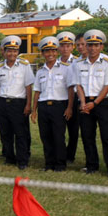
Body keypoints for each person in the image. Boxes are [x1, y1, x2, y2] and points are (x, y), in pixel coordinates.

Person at [73, 29, 108, 176]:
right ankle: (91, 166)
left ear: (101, 47)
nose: (92, 48)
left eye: (96, 45)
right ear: (86, 46)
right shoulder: (79, 63)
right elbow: (78, 85)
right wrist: (83, 103)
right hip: (84, 102)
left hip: (101, 102)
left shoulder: (107, 63)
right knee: (87, 136)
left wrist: (94, 103)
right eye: (90, 45)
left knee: (107, 136)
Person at [0, 36, 35, 169]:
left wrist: (28, 104)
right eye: (9, 51)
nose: (12, 54)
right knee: (5, 133)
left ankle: (22, 160)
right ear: (3, 52)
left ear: (18, 52)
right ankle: (9, 158)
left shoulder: (24, 65)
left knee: (20, 133)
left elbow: (28, 86)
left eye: (15, 51)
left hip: (18, 103)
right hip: (2, 102)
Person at [30, 36, 75, 171]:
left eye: (53, 51)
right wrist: (34, 110)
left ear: (57, 52)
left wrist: (69, 107)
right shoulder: (40, 71)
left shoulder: (66, 68)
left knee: (58, 136)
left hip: (59, 105)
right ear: (43, 54)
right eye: (47, 51)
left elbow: (71, 89)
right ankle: (49, 164)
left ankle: (60, 164)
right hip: (44, 106)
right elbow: (37, 92)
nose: (50, 54)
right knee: (46, 136)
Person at [57, 31, 80, 163]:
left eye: (68, 46)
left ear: (72, 47)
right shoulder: (55, 61)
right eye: (62, 45)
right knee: (59, 129)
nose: (65, 48)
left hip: (75, 97)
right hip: (60, 98)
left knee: (73, 129)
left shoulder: (77, 62)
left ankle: (70, 155)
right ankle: (60, 153)